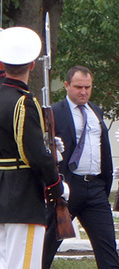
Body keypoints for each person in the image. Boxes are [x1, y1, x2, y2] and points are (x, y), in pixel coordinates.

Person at [0, 27, 63, 269]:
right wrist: (55, 184)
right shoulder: (23, 101)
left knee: (2, 264)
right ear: (32, 65)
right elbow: (36, 154)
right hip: (23, 198)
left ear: (3, 64)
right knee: (23, 265)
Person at [42, 66, 119, 269]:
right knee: (46, 248)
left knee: (108, 250)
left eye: (87, 87)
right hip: (67, 187)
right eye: (78, 87)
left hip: (95, 189)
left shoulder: (96, 111)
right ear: (67, 86)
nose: (83, 91)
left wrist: (104, 184)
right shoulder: (54, 113)